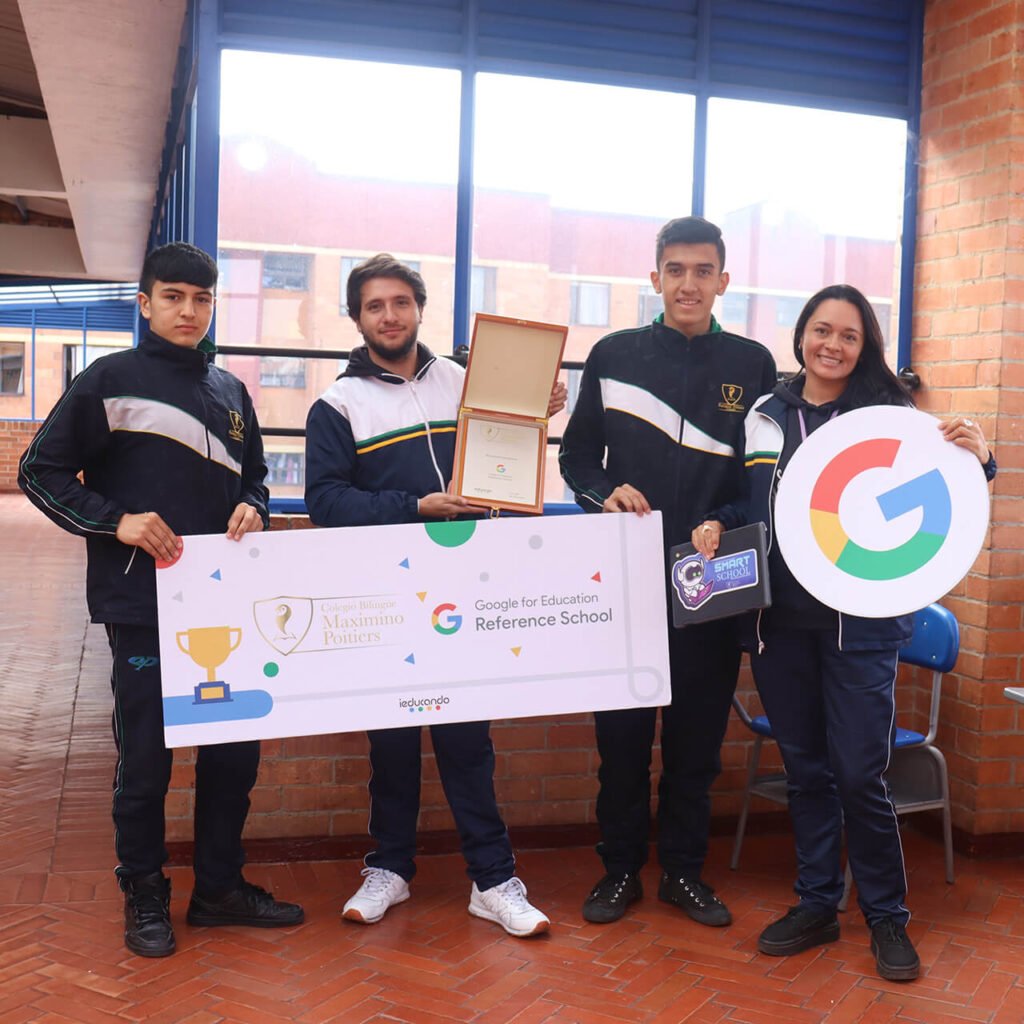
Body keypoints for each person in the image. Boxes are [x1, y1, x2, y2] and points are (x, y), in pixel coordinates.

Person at [691, 283, 996, 981]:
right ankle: (817, 904)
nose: (832, 344)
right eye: (821, 330)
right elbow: (753, 499)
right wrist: (716, 524)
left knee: (861, 774)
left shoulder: (889, 417)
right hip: (779, 625)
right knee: (807, 773)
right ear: (802, 334)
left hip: (859, 627)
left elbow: (943, 489)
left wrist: (980, 460)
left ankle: (888, 918)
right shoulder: (767, 414)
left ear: (866, 348)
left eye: (848, 335)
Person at [18, 242, 304, 958]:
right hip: (139, 604)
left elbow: (257, 477)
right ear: (145, 303)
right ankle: (144, 892)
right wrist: (116, 521)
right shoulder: (108, 379)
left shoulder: (232, 393)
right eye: (173, 296)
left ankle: (218, 891)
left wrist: (255, 507)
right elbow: (39, 471)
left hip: (225, 608)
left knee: (233, 755)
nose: (188, 310)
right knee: (146, 762)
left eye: (201, 299)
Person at [304, 253, 564, 937]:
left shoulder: (464, 381)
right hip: (384, 590)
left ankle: (493, 879)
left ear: (419, 307)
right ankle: (389, 868)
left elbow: (507, 455)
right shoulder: (337, 404)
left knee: (466, 739)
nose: (389, 316)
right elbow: (326, 502)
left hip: (465, 585)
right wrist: (413, 505)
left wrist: (534, 409)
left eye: (400, 302)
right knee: (390, 743)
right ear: (357, 317)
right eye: (374, 306)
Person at [558, 216, 777, 927]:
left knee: (696, 742)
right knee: (621, 741)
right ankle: (620, 870)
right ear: (654, 278)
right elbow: (577, 459)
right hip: (623, 576)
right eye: (675, 270)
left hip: (713, 580)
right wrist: (604, 493)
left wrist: (732, 520)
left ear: (723, 281)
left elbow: (762, 478)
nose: (689, 283)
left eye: (702, 270)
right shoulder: (613, 353)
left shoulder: (752, 365)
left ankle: (684, 872)